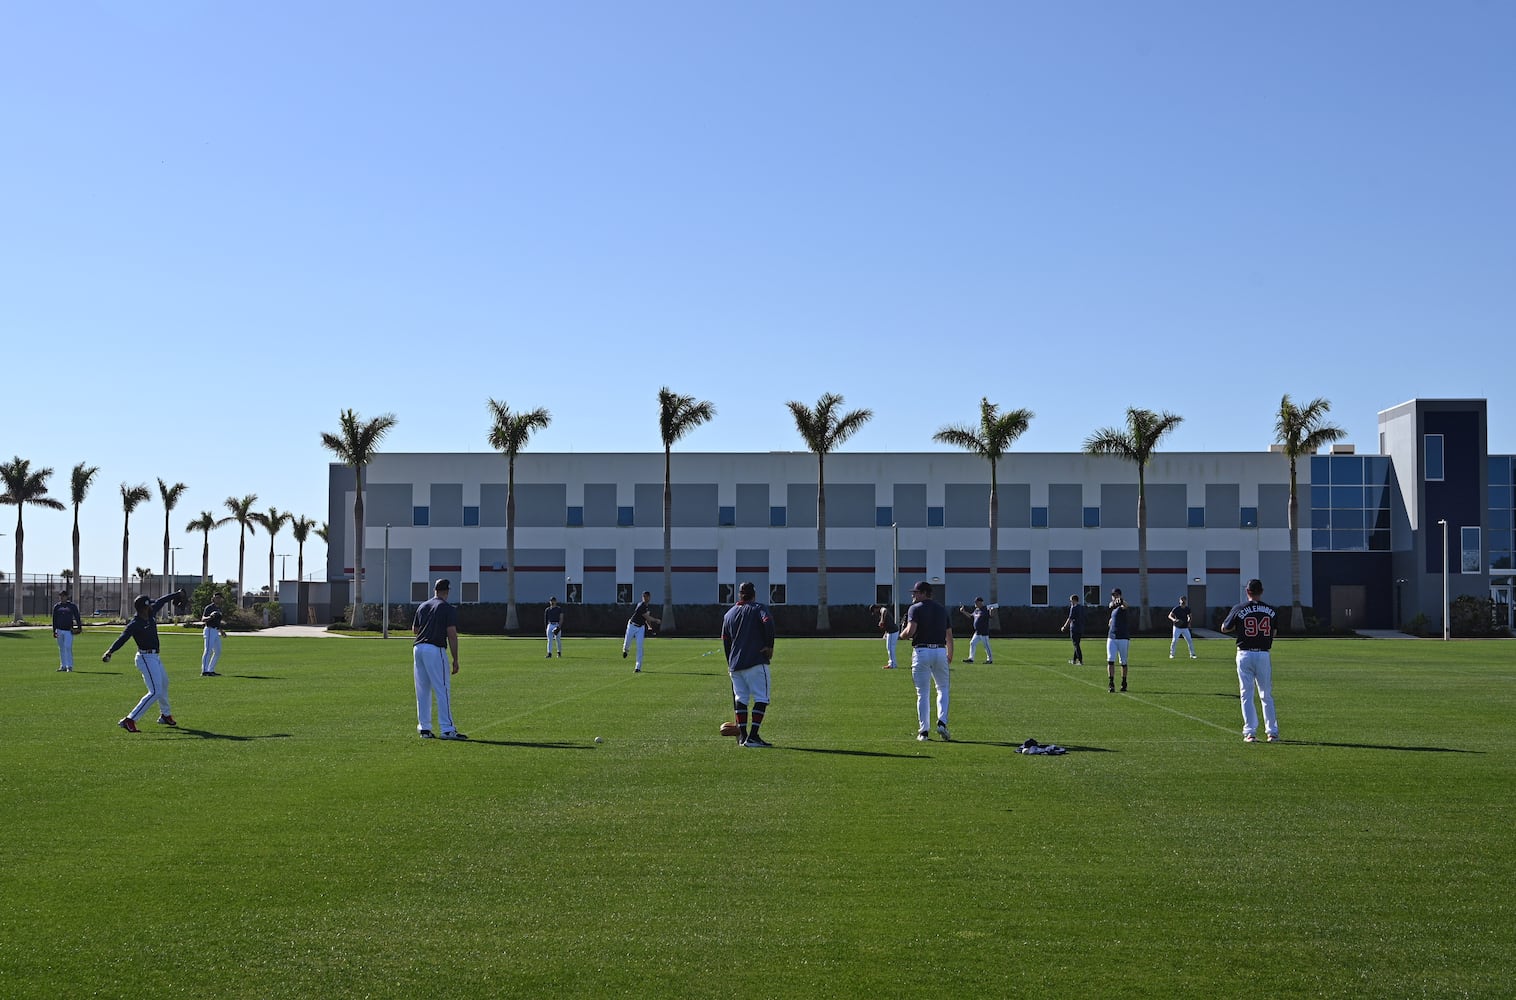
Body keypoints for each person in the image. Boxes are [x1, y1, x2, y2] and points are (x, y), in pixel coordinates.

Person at [102, 590, 186, 731]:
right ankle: (130, 719)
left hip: (155, 658)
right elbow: (122, 638)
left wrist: (176, 594)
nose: (152, 607)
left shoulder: (150, 614)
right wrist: (110, 651)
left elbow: (162, 600)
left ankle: (165, 715)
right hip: (145, 658)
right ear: (143, 608)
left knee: (164, 683)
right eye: (149, 605)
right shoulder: (135, 624)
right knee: (155, 691)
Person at [1221, 578, 1280, 743]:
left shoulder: (1240, 608)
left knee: (1246, 694)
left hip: (1245, 653)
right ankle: (1272, 732)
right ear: (1261, 591)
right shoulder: (1271, 610)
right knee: (1266, 694)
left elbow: (1224, 628)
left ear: (1248, 591)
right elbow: (1273, 633)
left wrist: (1239, 627)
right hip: (1263, 654)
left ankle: (1250, 732)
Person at [721, 581, 776, 748]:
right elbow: (768, 622)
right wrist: (770, 645)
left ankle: (744, 737)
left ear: (739, 594)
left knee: (741, 699)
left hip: (735, 664)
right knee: (761, 698)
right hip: (755, 661)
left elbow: (725, 640)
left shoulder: (728, 614)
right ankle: (753, 737)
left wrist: (729, 661)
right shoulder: (759, 607)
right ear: (754, 594)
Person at [899, 579, 954, 741]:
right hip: (939, 651)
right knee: (942, 688)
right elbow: (949, 636)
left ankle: (923, 731)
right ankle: (942, 722)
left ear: (923, 593)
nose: (913, 595)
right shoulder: (942, 610)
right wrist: (949, 654)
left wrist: (901, 635)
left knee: (922, 693)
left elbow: (910, 632)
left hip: (922, 651)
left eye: (915, 592)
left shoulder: (915, 608)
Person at [413, 578, 466, 740]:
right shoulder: (447, 608)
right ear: (447, 591)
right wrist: (455, 659)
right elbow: (451, 633)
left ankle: (425, 729)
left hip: (418, 648)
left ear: (435, 590)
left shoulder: (423, 606)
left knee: (422, 690)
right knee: (442, 688)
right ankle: (447, 729)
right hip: (434, 649)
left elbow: (415, 629)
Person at [621, 590, 659, 672]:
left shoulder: (647, 607)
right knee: (627, 643)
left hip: (640, 628)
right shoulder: (641, 605)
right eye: (643, 596)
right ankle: (625, 650)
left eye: (646, 596)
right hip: (632, 626)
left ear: (649, 597)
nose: (645, 598)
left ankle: (637, 667)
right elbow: (647, 617)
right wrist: (656, 620)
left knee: (639, 647)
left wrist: (649, 627)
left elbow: (646, 619)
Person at [51, 589, 83, 672]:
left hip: (69, 630)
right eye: (60, 596)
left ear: (67, 597)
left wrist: (79, 627)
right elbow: (54, 619)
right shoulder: (57, 606)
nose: (61, 597)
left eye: (63, 596)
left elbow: (77, 617)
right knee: (61, 648)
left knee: (68, 647)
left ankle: (70, 666)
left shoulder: (72, 606)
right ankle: (63, 666)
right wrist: (54, 631)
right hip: (59, 630)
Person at [198, 590, 227, 676]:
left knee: (218, 651)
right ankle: (204, 671)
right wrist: (210, 616)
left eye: (219, 598)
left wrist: (221, 631)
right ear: (213, 598)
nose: (218, 599)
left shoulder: (219, 609)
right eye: (216, 598)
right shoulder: (209, 608)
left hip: (216, 630)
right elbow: (203, 619)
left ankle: (211, 669)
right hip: (209, 629)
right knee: (208, 650)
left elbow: (218, 622)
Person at [1106, 588, 1130, 693]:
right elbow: (1111, 607)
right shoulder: (1113, 608)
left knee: (1123, 661)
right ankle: (1111, 683)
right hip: (1112, 637)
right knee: (1110, 660)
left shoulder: (1121, 606)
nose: (1114, 596)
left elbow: (1126, 605)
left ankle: (1124, 682)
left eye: (1116, 595)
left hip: (1123, 638)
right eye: (1113, 595)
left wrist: (1121, 601)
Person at [958, 596, 994, 663]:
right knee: (972, 643)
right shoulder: (976, 610)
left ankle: (990, 659)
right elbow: (971, 616)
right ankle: (971, 658)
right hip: (977, 632)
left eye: (977, 602)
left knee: (986, 646)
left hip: (983, 632)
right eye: (975, 602)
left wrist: (991, 611)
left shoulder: (985, 609)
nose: (976, 603)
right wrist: (963, 611)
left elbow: (990, 616)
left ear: (981, 602)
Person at [1168, 595, 1197, 659]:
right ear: (1180, 601)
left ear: (1186, 601)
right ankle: (1172, 654)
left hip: (1185, 627)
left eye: (1184, 600)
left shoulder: (1187, 609)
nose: (1183, 601)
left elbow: (1190, 616)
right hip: (1177, 627)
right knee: (1175, 640)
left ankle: (1192, 654)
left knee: (1189, 640)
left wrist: (1189, 622)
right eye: (1182, 600)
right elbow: (1169, 616)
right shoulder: (1176, 609)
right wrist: (1174, 620)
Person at [872, 603, 899, 669]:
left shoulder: (882, 609)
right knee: (889, 648)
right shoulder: (881, 612)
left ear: (876, 608)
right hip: (891, 631)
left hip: (893, 631)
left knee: (890, 648)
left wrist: (881, 621)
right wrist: (885, 633)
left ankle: (892, 664)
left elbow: (885, 611)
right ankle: (892, 663)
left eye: (874, 610)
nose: (875, 612)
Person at [1060, 594, 1085, 665]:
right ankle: (1074, 660)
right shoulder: (1081, 608)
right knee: (1076, 644)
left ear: (1074, 600)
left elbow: (1070, 618)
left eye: (1071, 601)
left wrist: (1064, 627)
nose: (1070, 602)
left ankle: (1080, 661)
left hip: (1074, 628)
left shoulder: (1073, 608)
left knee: (1076, 645)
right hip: (1080, 628)